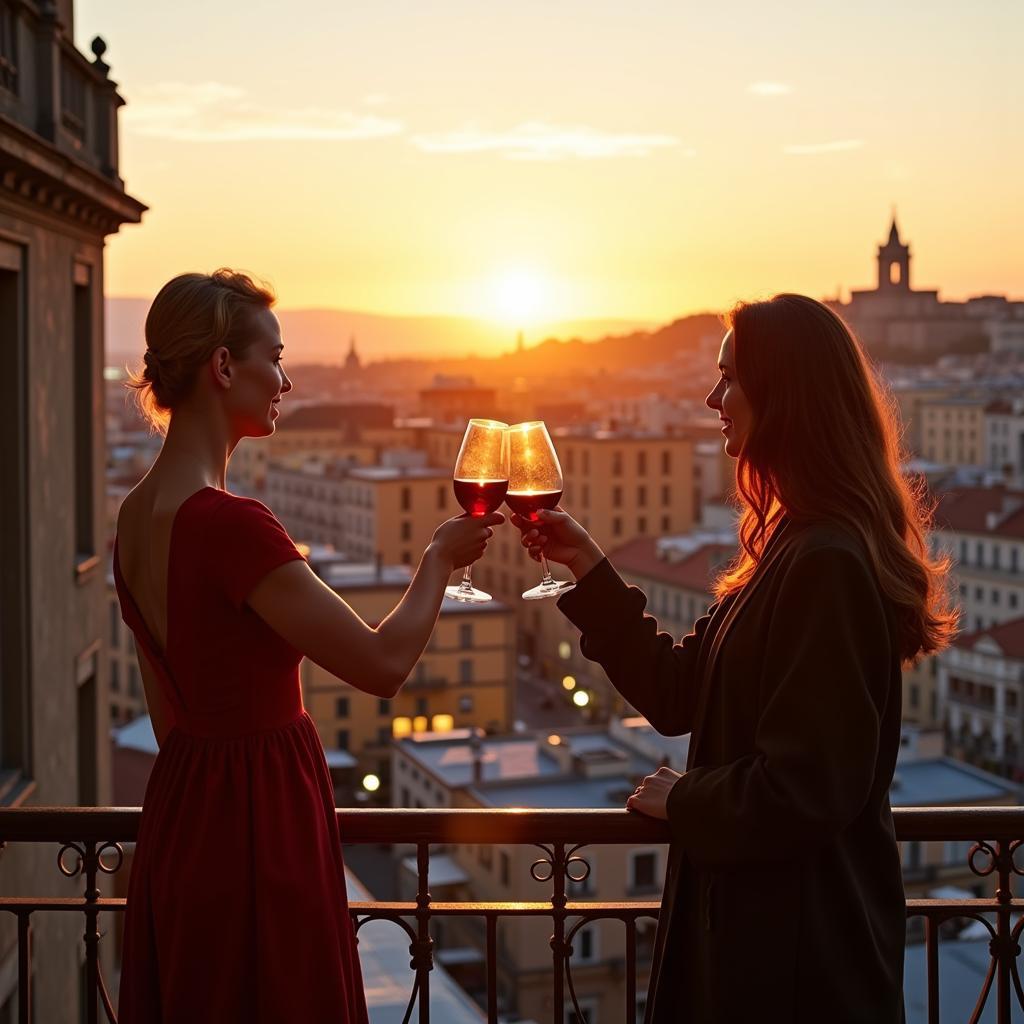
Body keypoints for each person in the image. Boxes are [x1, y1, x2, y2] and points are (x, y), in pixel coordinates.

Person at [512, 294, 957, 1023]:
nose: (711, 398)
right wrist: (588, 567)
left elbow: (810, 788)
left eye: (730, 379)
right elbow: (679, 692)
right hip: (766, 942)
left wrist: (681, 798)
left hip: (793, 966)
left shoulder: (825, 562)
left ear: (786, 396)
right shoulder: (796, 545)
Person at [113, 269, 502, 1023]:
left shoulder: (132, 519)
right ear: (224, 367)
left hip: (183, 819)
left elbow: (168, 719)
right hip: (262, 819)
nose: (286, 378)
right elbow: (383, 665)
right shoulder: (232, 525)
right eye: (276, 357)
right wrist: (438, 561)